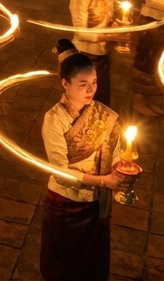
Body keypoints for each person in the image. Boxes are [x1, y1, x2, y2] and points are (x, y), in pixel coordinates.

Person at [40, 46, 128, 281]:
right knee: (63, 264)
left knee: (91, 264)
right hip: (65, 204)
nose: (91, 90)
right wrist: (104, 181)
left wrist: (121, 172)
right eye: (83, 84)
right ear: (65, 84)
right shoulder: (54, 119)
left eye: (94, 82)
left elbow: (116, 154)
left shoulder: (105, 116)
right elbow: (60, 173)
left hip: (95, 205)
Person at [68, 0, 120, 106]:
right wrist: (109, 36)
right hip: (86, 56)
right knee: (87, 99)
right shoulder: (79, 0)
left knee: (102, 96)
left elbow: (107, 20)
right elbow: (82, 33)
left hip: (103, 55)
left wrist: (116, 25)